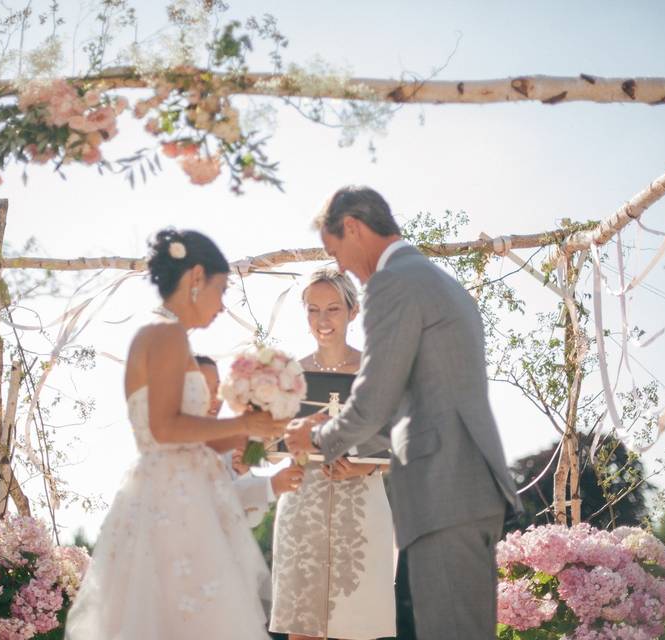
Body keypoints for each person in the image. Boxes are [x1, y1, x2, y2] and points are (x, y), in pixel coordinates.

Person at [285, 187, 521, 640]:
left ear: (352, 227)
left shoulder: (392, 283)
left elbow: (374, 398)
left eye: (335, 250)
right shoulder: (436, 280)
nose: (339, 266)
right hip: (467, 486)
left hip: (444, 490)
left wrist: (314, 441)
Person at [65, 229, 287, 640]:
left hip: (180, 491)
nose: (223, 305)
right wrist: (243, 424)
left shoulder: (170, 338)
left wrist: (263, 431)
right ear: (196, 277)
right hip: (174, 502)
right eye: (222, 289)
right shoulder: (164, 334)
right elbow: (164, 428)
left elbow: (193, 438)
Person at [269, 268, 395, 640]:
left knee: (356, 625)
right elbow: (273, 446)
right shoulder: (288, 375)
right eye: (313, 310)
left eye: (333, 309)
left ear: (353, 311)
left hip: (360, 505)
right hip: (303, 502)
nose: (322, 321)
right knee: (303, 628)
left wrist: (360, 469)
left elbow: (403, 439)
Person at [196, 354, 304, 528]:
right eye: (203, 389)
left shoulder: (227, 447)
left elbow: (252, 520)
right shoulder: (177, 446)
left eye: (217, 388)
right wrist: (272, 485)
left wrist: (245, 474)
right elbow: (209, 500)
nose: (214, 398)